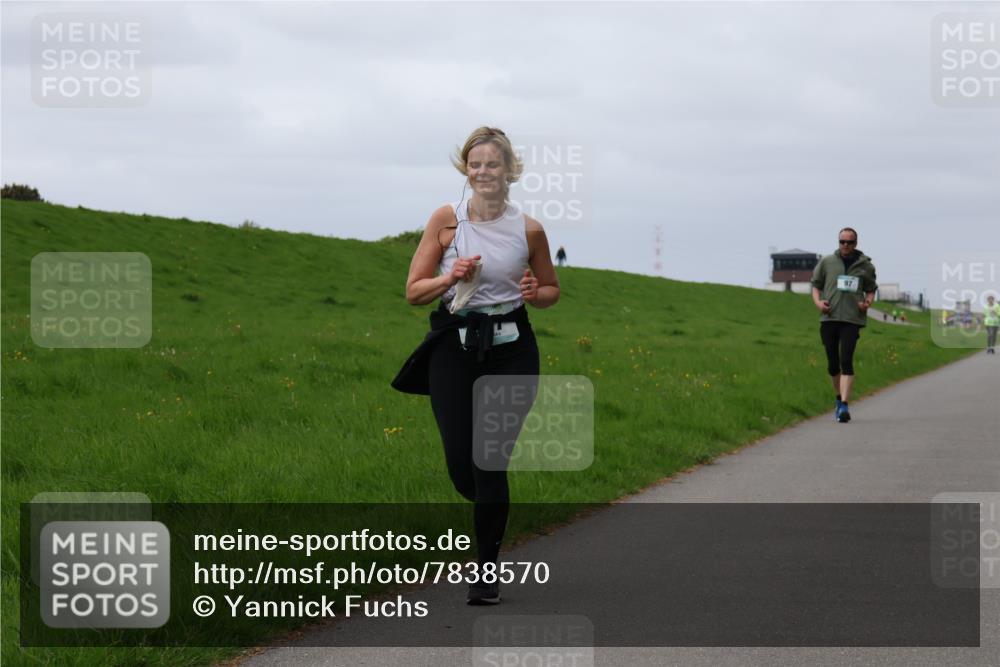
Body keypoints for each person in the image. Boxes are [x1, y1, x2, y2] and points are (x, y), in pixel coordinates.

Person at [393, 127, 560, 605]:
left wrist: (535, 293)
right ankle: (492, 506)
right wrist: (452, 275)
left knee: (490, 459)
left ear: (509, 170)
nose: (483, 172)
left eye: (492, 164)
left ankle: (486, 568)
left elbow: (550, 289)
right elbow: (412, 291)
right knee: (461, 463)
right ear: (465, 169)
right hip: (454, 347)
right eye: (475, 163)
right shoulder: (446, 220)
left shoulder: (529, 229)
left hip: (511, 350)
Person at [810, 227, 878, 423]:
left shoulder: (865, 266)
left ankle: (845, 406)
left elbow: (871, 289)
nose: (845, 245)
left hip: (852, 319)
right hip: (829, 318)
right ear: (838, 242)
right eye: (842, 242)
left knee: (846, 359)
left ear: (856, 244)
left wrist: (867, 303)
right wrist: (818, 303)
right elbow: (815, 285)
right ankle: (839, 399)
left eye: (849, 242)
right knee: (833, 364)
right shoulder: (827, 262)